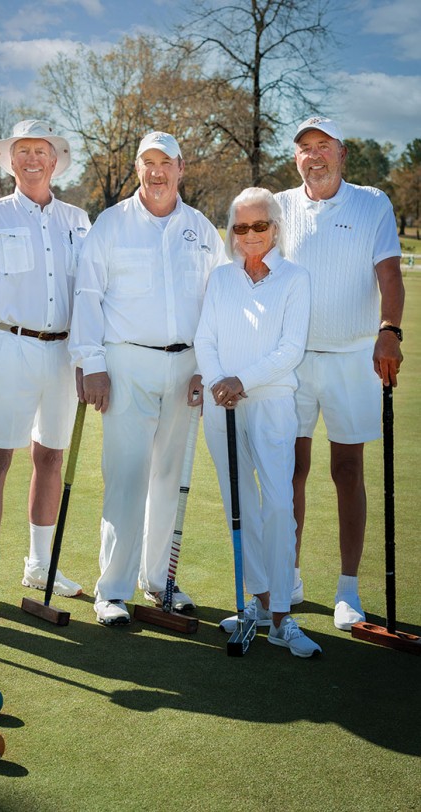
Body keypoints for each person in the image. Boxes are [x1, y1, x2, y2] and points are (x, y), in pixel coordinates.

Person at [69, 131, 226, 626]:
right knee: (127, 475)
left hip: (186, 369)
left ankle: (159, 582)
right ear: (137, 168)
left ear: (182, 168)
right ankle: (112, 590)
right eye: (147, 163)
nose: (157, 172)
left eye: (166, 163)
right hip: (125, 364)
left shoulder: (202, 230)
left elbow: (217, 303)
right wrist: (91, 364)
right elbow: (87, 296)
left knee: (169, 478)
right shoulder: (111, 225)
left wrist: (208, 366)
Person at [275, 117, 404, 630]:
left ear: (341, 152)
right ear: (296, 159)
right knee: (291, 471)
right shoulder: (280, 207)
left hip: (354, 356)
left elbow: (389, 274)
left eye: (322, 146)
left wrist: (389, 328)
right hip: (295, 358)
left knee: (347, 472)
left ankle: (348, 588)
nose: (314, 155)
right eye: (305, 148)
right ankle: (289, 574)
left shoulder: (372, 203)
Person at [0, 120, 91, 617]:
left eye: (42, 151)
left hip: (62, 355)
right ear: (11, 161)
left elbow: (91, 297)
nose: (32, 159)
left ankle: (39, 565)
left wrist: (87, 359)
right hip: (6, 349)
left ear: (55, 160)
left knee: (51, 459)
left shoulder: (80, 221)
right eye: (23, 151)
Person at [195, 187, 320, 657]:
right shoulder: (221, 278)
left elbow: (290, 349)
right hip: (221, 403)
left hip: (270, 402)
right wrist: (217, 382)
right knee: (240, 504)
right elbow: (204, 336)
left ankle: (284, 618)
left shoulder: (295, 278)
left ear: (276, 228)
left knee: (279, 505)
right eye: (240, 227)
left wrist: (240, 379)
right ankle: (260, 602)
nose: (249, 235)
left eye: (259, 226)